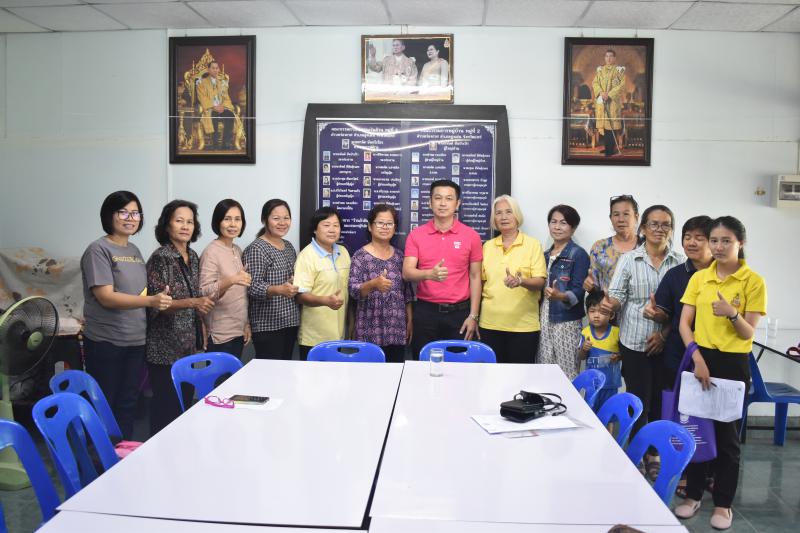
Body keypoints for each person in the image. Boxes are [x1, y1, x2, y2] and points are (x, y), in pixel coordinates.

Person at [675, 216, 766, 531]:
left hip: (733, 364)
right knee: (697, 432)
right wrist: (697, 357)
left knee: (727, 439)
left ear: (740, 243)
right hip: (700, 358)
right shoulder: (700, 278)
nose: (718, 246)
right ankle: (693, 496)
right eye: (714, 240)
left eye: (726, 240)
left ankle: (724, 504)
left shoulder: (753, 281)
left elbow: (748, 333)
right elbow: (684, 324)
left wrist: (732, 314)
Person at [80, 191, 172, 440]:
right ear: (109, 215)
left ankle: (124, 454)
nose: (130, 218)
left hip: (135, 340)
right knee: (105, 404)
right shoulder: (98, 250)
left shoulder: (134, 250)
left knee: (128, 403)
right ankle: (100, 458)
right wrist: (150, 301)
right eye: (123, 212)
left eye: (135, 213)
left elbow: (139, 292)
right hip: (106, 341)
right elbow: (106, 297)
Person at [603, 205, 685, 477]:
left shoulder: (680, 262)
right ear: (643, 228)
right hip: (634, 342)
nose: (659, 229)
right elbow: (617, 295)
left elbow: (686, 308)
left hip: (668, 343)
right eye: (653, 224)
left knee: (662, 402)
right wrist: (610, 304)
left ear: (671, 229)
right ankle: (637, 451)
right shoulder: (630, 259)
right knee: (638, 402)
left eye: (666, 224)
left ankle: (654, 454)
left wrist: (663, 334)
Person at [146, 200, 214, 435]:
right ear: (167, 225)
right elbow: (159, 304)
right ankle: (157, 452)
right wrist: (194, 302)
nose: (185, 226)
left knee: (184, 405)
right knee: (166, 408)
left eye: (190, 222)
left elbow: (197, 296)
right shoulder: (160, 258)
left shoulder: (192, 256)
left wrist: (201, 323)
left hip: (189, 346)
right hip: (165, 347)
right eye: (179, 221)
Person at [403, 179, 483, 359]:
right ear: (430, 202)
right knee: (424, 365)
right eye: (438, 198)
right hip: (425, 313)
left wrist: (474, 316)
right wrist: (428, 274)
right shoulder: (416, 235)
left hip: (460, 314)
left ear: (457, 203)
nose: (443, 203)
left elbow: (475, 276)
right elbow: (407, 273)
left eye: (449, 198)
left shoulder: (471, 236)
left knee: (458, 367)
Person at [478, 195, 546, 363]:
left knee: (520, 376)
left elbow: (540, 282)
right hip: (489, 324)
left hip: (523, 326)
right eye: (498, 213)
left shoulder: (533, 245)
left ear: (517, 215)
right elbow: (481, 283)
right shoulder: (487, 246)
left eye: (509, 212)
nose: (503, 217)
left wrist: (521, 281)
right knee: (491, 375)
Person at [648, 216, 714, 387]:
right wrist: (655, 313)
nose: (691, 242)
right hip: (678, 352)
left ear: (713, 242)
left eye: (699, 238)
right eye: (687, 237)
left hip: (714, 351)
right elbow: (664, 313)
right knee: (676, 398)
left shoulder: (723, 275)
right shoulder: (674, 274)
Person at [348, 205, 413, 363]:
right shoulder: (360, 256)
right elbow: (353, 291)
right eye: (380, 223)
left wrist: (410, 320)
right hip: (369, 330)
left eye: (389, 224)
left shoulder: (400, 256)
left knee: (395, 373)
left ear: (394, 228)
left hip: (396, 330)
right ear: (370, 226)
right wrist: (373, 284)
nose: (385, 227)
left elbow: (407, 294)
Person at [243, 199, 300, 360]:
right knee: (270, 372)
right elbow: (252, 287)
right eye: (276, 218)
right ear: (264, 220)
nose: (282, 223)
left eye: (286, 218)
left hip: (290, 321)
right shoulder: (256, 248)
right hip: (267, 325)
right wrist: (278, 289)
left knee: (286, 369)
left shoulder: (288, 246)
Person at [537, 205, 589, 380]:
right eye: (553, 222)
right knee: (544, 369)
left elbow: (579, 291)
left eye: (563, 223)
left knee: (568, 372)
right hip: (543, 317)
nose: (557, 227)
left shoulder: (578, 254)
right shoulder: (543, 255)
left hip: (567, 320)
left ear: (573, 228)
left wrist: (560, 296)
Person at [295, 207, 351, 359]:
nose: (332, 230)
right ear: (315, 229)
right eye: (326, 225)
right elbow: (300, 296)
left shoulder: (343, 252)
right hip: (314, 338)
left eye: (336, 225)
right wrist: (325, 301)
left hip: (339, 335)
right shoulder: (307, 256)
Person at [199, 199, 251, 359]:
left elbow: (241, 294)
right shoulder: (211, 252)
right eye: (227, 219)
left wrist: (246, 324)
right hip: (219, 335)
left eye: (237, 219)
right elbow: (204, 292)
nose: (233, 224)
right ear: (218, 221)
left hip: (238, 331)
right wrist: (232, 280)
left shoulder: (237, 250)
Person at [584, 195, 640, 292]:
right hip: (607, 301)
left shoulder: (646, 246)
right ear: (610, 218)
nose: (621, 219)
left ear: (636, 217)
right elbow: (594, 286)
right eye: (616, 214)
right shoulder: (600, 247)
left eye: (626, 214)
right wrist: (589, 285)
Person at [579, 289, 621, 412]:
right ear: (587, 313)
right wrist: (583, 349)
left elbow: (624, 354)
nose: (596, 315)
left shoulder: (616, 333)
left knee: (608, 414)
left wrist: (618, 356)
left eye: (602, 312)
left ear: (611, 315)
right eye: (592, 311)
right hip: (592, 385)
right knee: (590, 414)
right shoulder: (585, 332)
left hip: (610, 384)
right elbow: (581, 357)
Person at [592, 49, 626, 157]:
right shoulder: (600, 70)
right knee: (605, 126)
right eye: (606, 56)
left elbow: (621, 86)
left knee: (611, 126)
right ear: (604, 58)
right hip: (602, 102)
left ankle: (611, 150)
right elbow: (595, 83)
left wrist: (609, 94)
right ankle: (607, 148)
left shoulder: (619, 71)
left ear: (614, 58)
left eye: (611, 56)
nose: (608, 58)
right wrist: (601, 92)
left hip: (613, 103)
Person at [196, 60, 236, 150]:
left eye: (217, 68)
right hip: (210, 108)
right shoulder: (201, 82)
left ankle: (225, 143)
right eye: (213, 68)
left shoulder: (222, 83)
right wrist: (214, 107)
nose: (215, 70)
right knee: (213, 117)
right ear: (208, 70)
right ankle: (215, 144)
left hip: (221, 108)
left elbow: (226, 97)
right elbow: (202, 97)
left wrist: (223, 106)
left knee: (230, 115)